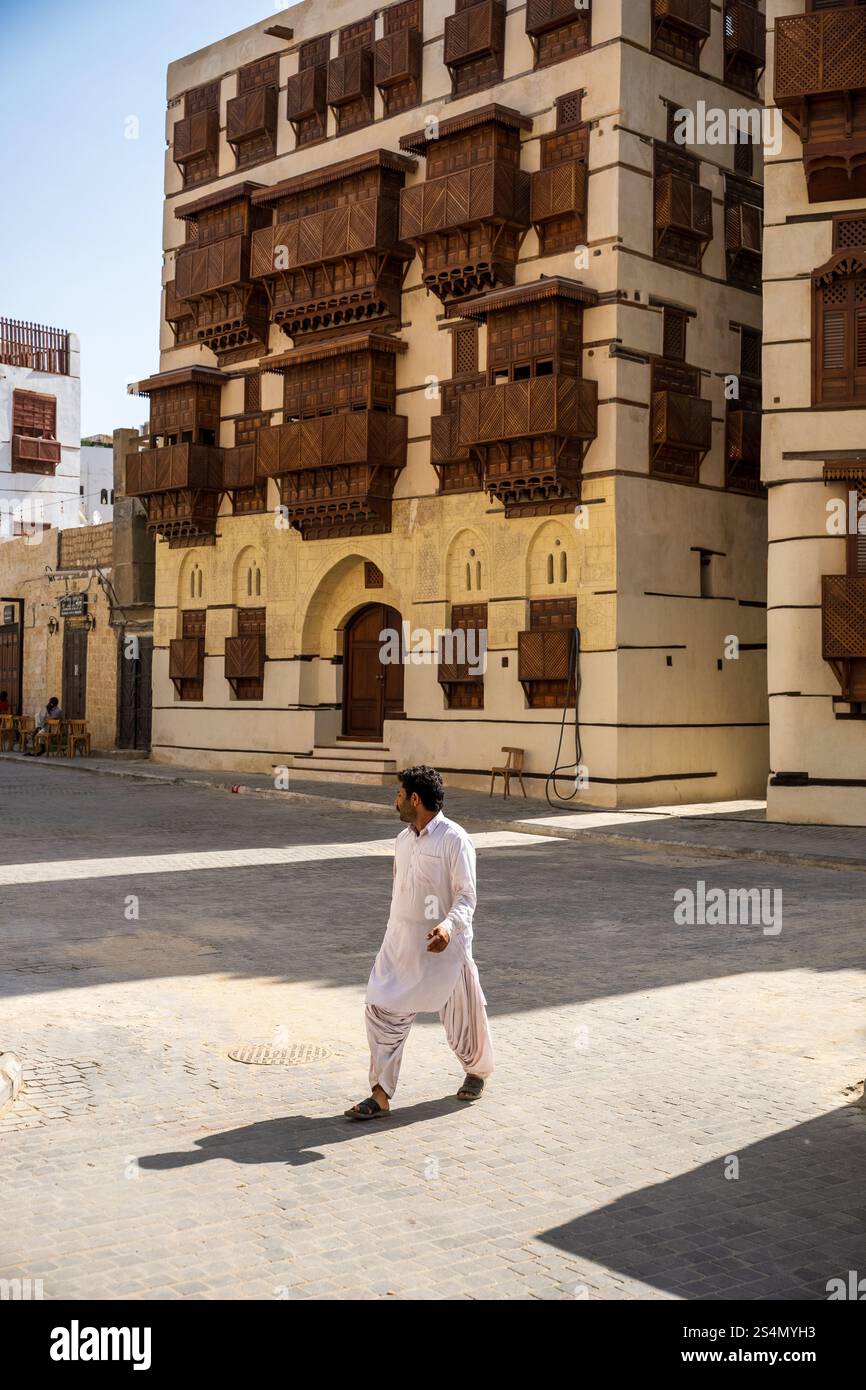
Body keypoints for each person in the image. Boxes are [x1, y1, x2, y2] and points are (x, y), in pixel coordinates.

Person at [345, 765, 494, 1121]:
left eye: (399, 794)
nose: (394, 800)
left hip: (445, 947)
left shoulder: (455, 839)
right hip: (400, 945)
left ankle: (476, 1071)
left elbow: (466, 896)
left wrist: (447, 926)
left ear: (415, 798)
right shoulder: (402, 840)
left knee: (464, 1017)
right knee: (380, 1008)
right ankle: (380, 1095)